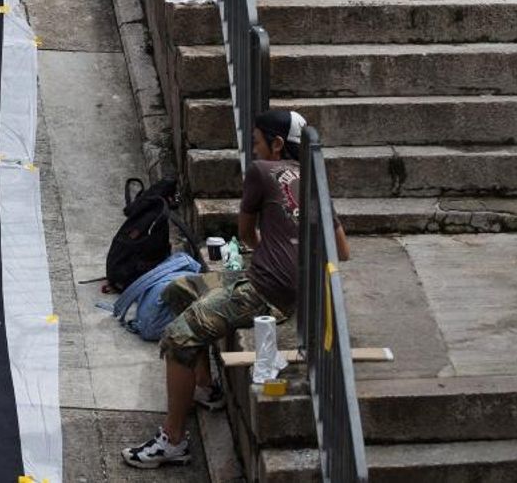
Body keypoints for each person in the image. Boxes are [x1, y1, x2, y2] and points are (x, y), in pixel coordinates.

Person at [122, 110, 350, 469]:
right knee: (180, 290)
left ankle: (173, 440)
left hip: (263, 291)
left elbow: (245, 234)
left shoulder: (261, 171)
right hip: (286, 288)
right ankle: (204, 387)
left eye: (257, 141)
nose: (254, 149)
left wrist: (270, 253)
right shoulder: (314, 180)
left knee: (178, 338)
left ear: (277, 144)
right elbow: (343, 250)